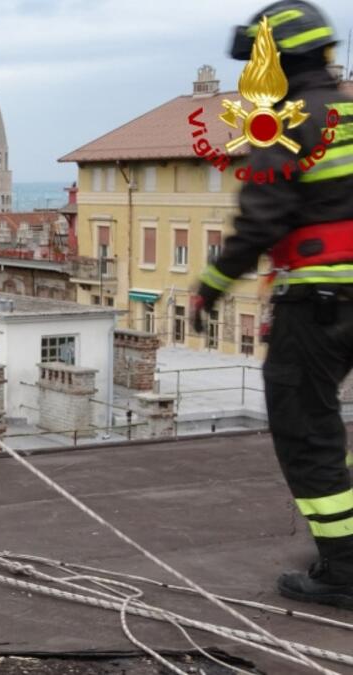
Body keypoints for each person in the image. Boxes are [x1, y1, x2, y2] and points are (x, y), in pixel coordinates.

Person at [193, 0, 353, 610]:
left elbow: (262, 217)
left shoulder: (288, 120)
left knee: (309, 432)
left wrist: (210, 283)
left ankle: (343, 569)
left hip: (318, 304)